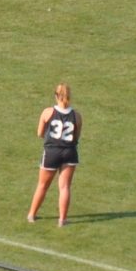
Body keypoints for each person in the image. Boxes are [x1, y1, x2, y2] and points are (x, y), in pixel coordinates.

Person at [26, 83, 82, 225]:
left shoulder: (48, 112)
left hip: (51, 152)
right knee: (65, 187)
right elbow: (76, 137)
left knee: (42, 185)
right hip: (69, 152)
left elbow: (40, 133)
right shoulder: (76, 116)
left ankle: (32, 215)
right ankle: (62, 220)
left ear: (56, 96)